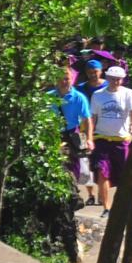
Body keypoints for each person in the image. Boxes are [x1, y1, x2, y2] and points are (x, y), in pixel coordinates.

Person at [88, 64, 132, 211]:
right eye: (113, 79)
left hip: (120, 140)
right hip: (102, 138)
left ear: (122, 80)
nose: (116, 81)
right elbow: (93, 117)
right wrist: (89, 137)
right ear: (108, 78)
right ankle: (106, 206)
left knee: (123, 174)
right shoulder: (98, 95)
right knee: (102, 172)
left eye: (119, 79)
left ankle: (122, 206)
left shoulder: (129, 93)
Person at [50, 68, 93, 203]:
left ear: (72, 80)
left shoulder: (79, 97)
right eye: (61, 78)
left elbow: (87, 120)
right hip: (53, 135)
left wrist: (90, 139)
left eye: (67, 78)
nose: (64, 82)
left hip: (72, 135)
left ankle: (71, 193)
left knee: (73, 165)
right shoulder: (49, 97)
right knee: (56, 164)